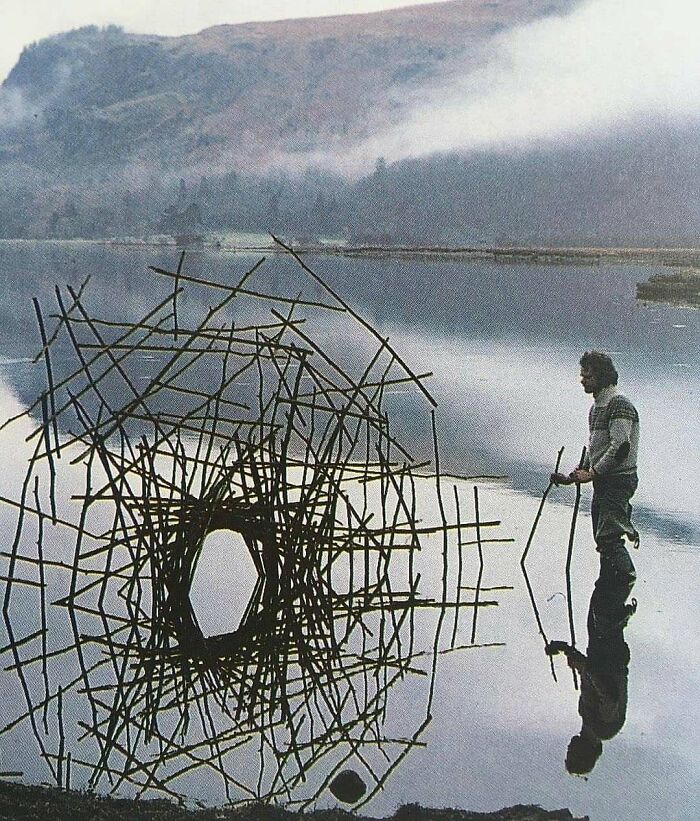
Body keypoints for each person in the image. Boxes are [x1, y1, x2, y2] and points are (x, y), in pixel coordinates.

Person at [551, 350, 640, 583]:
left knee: (609, 538)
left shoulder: (619, 404)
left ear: (601, 377)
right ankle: (609, 594)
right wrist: (572, 477)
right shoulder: (597, 408)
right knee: (603, 539)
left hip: (618, 481)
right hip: (605, 481)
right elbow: (595, 449)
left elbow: (621, 447)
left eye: (587, 376)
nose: (582, 380)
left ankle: (625, 583)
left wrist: (592, 473)